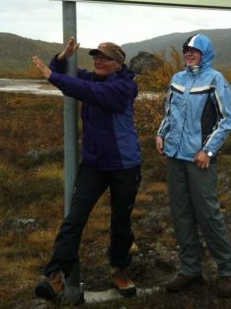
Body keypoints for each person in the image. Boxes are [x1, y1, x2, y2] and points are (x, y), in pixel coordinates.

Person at [31, 37, 142, 301]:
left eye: (104, 58)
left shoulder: (124, 87)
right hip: (94, 165)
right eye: (95, 57)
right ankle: (57, 276)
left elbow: (88, 92)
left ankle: (119, 270)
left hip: (124, 165)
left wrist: (54, 78)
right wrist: (61, 57)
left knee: (121, 223)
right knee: (75, 217)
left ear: (118, 63)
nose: (98, 62)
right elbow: (63, 74)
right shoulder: (92, 79)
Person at [155, 34, 231, 298]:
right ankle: (190, 269)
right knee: (180, 214)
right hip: (175, 156)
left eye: (194, 51)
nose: (189, 54)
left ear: (205, 53)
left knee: (208, 213)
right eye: (186, 50)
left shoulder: (216, 80)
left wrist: (208, 150)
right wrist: (161, 133)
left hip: (199, 158)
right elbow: (170, 112)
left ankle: (228, 270)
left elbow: (226, 120)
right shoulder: (177, 80)